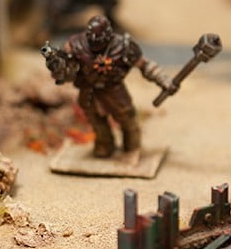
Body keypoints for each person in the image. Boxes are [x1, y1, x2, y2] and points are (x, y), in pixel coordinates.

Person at [43, 15, 173, 158]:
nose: (95, 41)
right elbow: (67, 73)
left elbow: (145, 65)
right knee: (96, 120)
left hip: (113, 89)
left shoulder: (124, 46)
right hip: (89, 90)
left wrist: (163, 80)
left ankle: (131, 148)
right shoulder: (75, 45)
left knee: (127, 120)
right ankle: (104, 145)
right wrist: (58, 67)